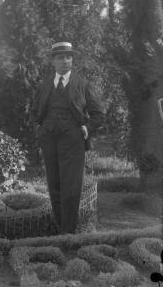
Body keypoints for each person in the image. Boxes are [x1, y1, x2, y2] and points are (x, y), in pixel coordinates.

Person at [33, 41, 104, 234]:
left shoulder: (83, 84)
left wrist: (86, 128)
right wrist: (40, 128)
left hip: (73, 140)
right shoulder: (45, 85)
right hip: (49, 139)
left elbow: (98, 114)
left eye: (68, 57)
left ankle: (68, 233)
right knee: (54, 185)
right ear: (53, 61)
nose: (65, 61)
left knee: (71, 188)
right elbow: (34, 111)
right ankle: (59, 229)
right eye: (60, 57)